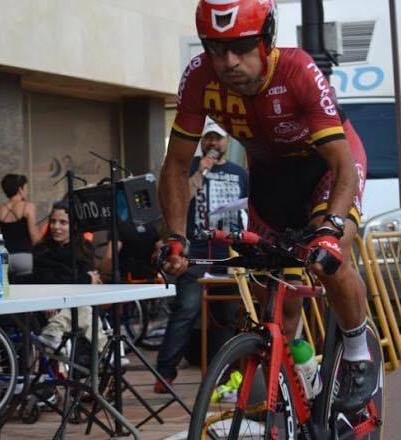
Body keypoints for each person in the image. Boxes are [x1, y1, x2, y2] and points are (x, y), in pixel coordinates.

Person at [157, 0, 376, 413]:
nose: (229, 62)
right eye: (216, 49)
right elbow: (175, 166)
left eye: (241, 47)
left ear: (267, 39)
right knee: (273, 300)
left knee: (330, 257)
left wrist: (330, 230)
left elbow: (343, 166)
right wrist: (175, 236)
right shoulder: (199, 77)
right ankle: (297, 383)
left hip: (326, 169)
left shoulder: (297, 71)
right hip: (272, 179)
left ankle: (357, 352)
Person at [154, 119, 248, 393]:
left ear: (227, 141)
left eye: (218, 139)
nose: (213, 144)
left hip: (228, 255)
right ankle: (165, 372)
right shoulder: (191, 168)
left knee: (226, 316)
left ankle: (220, 373)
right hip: (194, 254)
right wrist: (200, 173)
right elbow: (178, 200)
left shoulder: (239, 173)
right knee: (186, 309)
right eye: (208, 138)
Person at [33, 201, 107, 351]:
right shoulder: (42, 250)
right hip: (48, 304)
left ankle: (54, 330)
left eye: (63, 222)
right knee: (84, 310)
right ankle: (107, 352)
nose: (56, 227)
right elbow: (46, 281)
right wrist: (84, 280)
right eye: (53, 221)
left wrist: (80, 282)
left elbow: (83, 286)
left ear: (73, 225)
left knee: (83, 308)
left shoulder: (84, 249)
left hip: (74, 303)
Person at [0, 174, 41, 276]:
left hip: (4, 257)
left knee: (8, 289)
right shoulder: (28, 207)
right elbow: (34, 236)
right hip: (24, 256)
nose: (27, 191)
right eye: (26, 188)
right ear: (20, 189)